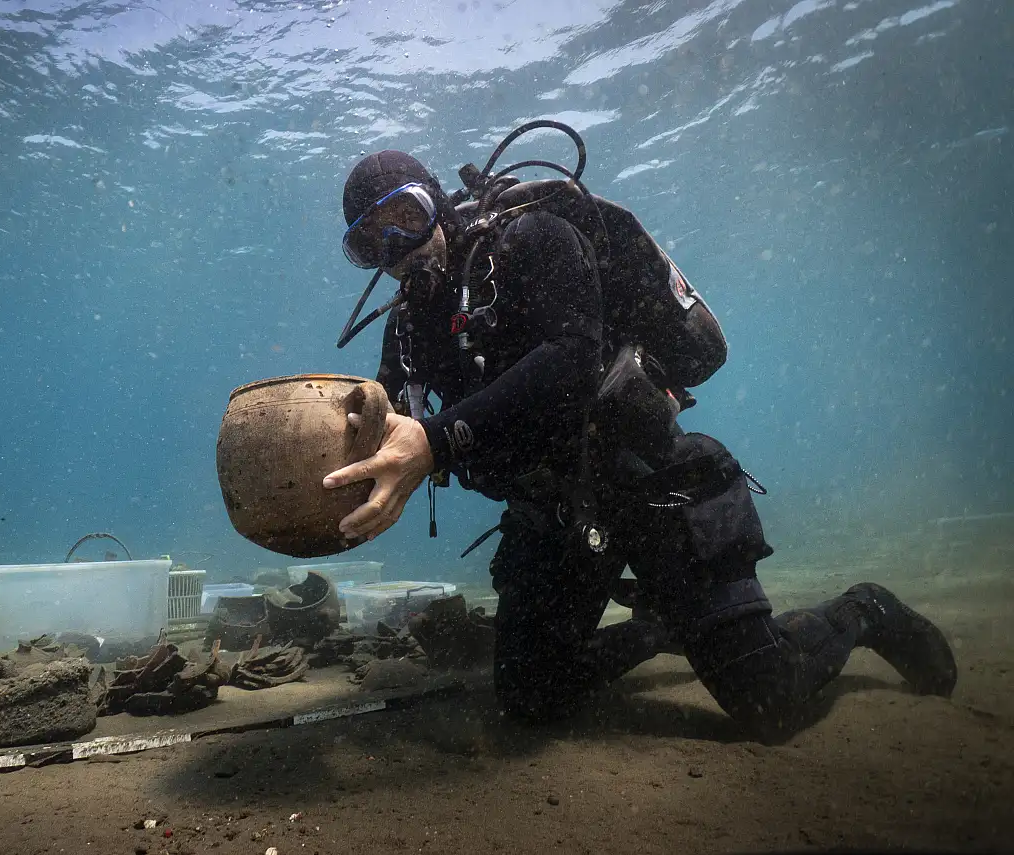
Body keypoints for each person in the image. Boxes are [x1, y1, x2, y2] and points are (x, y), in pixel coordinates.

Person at [320, 121, 957, 739]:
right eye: (368, 243)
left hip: (654, 482)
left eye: (405, 215)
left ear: (437, 200)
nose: (395, 249)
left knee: (770, 702)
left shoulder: (532, 238)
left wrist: (435, 440)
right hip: (557, 512)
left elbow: (570, 358)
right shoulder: (407, 328)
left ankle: (866, 610)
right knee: (530, 696)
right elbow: (393, 423)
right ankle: (662, 626)